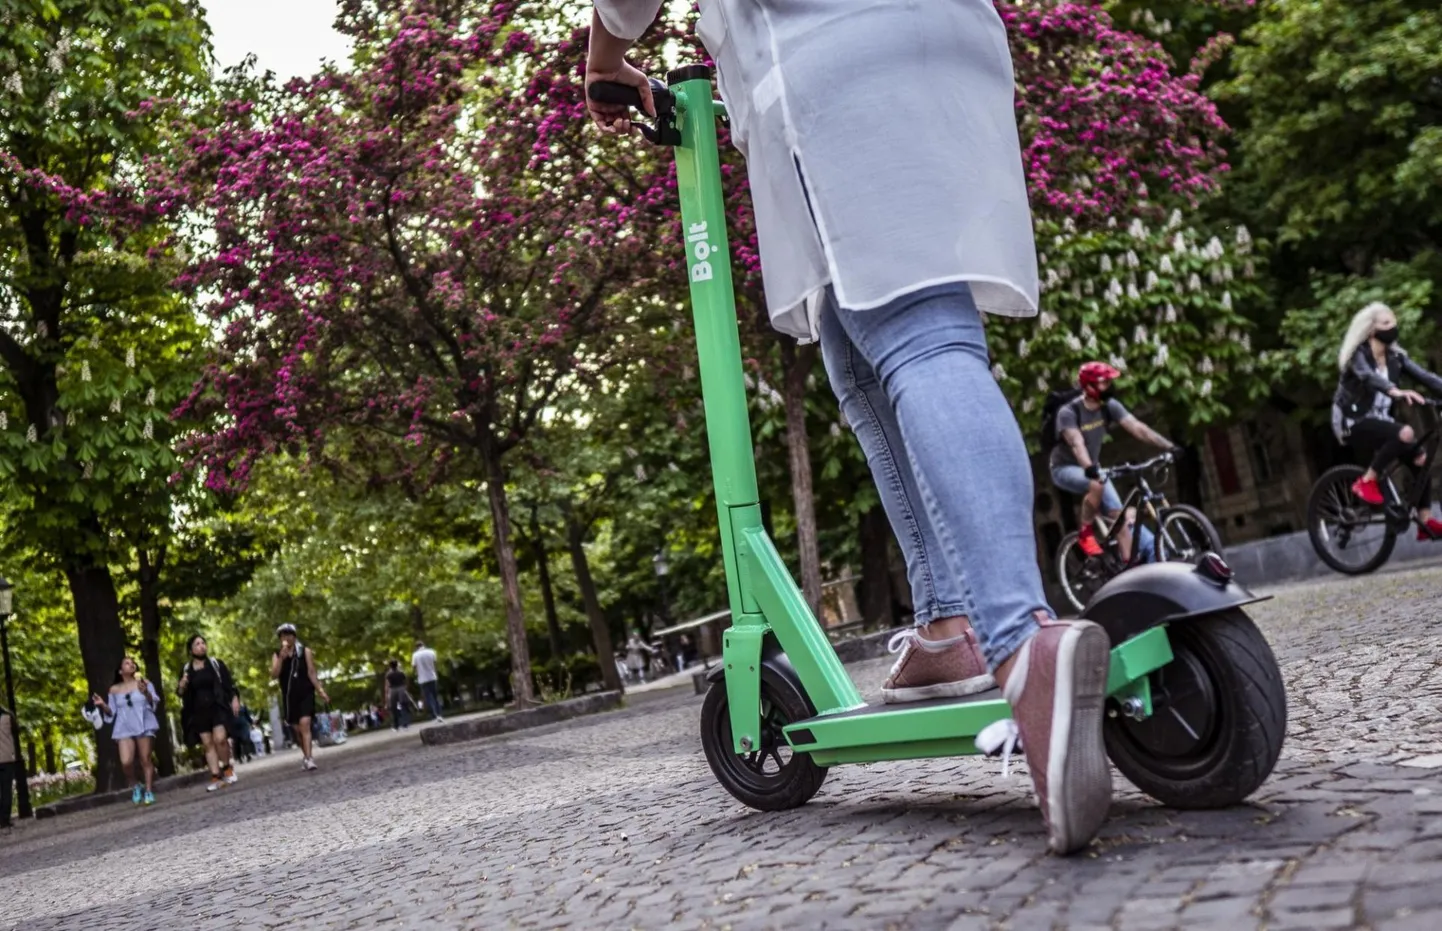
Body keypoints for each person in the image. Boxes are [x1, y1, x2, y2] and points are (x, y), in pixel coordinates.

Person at [587, 0, 1114, 854]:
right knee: (855, 338)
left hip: (825, 60)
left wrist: (603, 59)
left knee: (918, 330)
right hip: (944, 43)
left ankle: (1023, 641)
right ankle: (948, 623)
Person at [1050, 362, 1179, 561]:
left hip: (1094, 470)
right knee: (1098, 482)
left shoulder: (1109, 407)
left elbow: (1138, 428)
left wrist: (1169, 446)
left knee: (1121, 517)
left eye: (1110, 382)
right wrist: (1089, 468)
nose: (1110, 386)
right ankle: (1086, 533)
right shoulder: (1068, 412)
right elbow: (1077, 443)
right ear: (1090, 386)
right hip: (1065, 468)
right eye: (1104, 383)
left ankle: (1129, 562)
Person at [1333, 302, 1442, 535]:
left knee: (1421, 460)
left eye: (1394, 322)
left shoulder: (1396, 358)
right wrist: (1396, 391)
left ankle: (1425, 521)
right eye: (1386, 323)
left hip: (1381, 421)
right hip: (1352, 421)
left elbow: (1427, 378)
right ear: (1371, 330)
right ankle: (1366, 480)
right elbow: (1368, 377)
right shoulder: (1357, 355)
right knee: (1406, 432)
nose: (1393, 327)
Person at [92, 657, 161, 805]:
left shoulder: (145, 683)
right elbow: (111, 713)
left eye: (133, 663)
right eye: (127, 663)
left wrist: (146, 693)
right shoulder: (114, 689)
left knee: (145, 759)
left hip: (144, 722)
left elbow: (153, 702)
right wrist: (103, 705)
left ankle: (149, 791)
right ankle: (136, 785)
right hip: (124, 726)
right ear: (120, 670)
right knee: (126, 762)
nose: (131, 664)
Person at [177, 635, 240, 792]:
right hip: (198, 711)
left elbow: (229, 684)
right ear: (191, 649)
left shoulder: (216, 664)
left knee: (220, 739)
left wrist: (234, 698)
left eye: (203, 643)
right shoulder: (187, 670)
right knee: (208, 744)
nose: (201, 646)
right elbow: (180, 692)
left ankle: (227, 768)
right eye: (197, 644)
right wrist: (182, 685)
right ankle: (216, 777)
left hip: (217, 707)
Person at [271, 623, 330, 771]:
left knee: (305, 723)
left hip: (305, 692)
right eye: (283, 636)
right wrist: (281, 659)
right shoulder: (277, 655)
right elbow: (274, 674)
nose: (286, 638)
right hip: (289, 695)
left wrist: (320, 690)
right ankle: (305, 755)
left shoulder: (305, 651)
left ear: (294, 636)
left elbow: (311, 672)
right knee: (297, 730)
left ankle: (310, 758)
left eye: (289, 635)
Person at [410, 641, 444, 723]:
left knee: (428, 698)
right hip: (432, 677)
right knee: (435, 697)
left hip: (423, 679)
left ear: (416, 647)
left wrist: (414, 675)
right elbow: (435, 664)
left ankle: (434, 715)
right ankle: (439, 714)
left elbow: (414, 667)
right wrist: (436, 674)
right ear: (424, 645)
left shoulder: (415, 655)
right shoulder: (431, 652)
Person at [383, 660, 413, 730]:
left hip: (392, 690)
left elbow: (387, 685)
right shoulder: (401, 673)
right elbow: (406, 681)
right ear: (397, 665)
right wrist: (406, 689)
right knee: (403, 706)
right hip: (401, 689)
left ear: (390, 666)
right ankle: (405, 724)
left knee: (394, 708)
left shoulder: (388, 674)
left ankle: (396, 725)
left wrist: (386, 694)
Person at [0, 703, 16, 830]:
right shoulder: (8, 717)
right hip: (6, 759)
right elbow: (16, 732)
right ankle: (5, 819)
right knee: (6, 790)